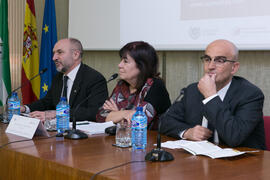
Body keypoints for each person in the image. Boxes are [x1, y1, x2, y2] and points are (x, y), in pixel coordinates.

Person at [160, 39, 266, 150]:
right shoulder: (192, 90)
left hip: (244, 163)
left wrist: (210, 96)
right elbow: (164, 122)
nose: (210, 66)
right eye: (207, 59)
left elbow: (234, 137)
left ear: (234, 68)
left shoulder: (250, 95)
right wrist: (187, 132)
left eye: (219, 60)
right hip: (201, 161)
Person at [20, 38, 108, 122]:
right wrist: (25, 108)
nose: (54, 58)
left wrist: (57, 114)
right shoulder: (58, 77)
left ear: (75, 55)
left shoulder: (94, 79)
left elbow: (95, 112)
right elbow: (47, 102)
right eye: (54, 53)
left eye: (59, 52)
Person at [96, 41, 171, 130]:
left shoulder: (155, 86)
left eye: (125, 61)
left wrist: (116, 113)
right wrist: (125, 113)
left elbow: (138, 123)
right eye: (121, 60)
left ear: (141, 65)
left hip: (150, 140)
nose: (119, 65)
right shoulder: (122, 85)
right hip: (124, 139)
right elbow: (100, 116)